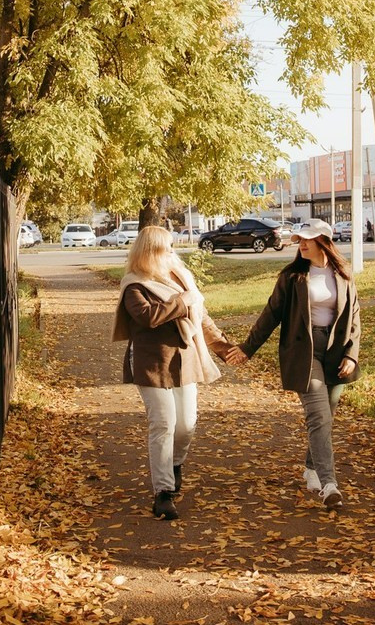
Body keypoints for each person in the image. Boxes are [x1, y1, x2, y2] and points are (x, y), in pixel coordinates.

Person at [224, 218, 360, 509]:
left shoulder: (343, 274)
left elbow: (355, 317)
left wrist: (352, 354)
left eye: (307, 239)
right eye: (299, 239)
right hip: (303, 352)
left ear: (324, 241)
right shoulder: (293, 277)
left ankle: (311, 468)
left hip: (335, 353)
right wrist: (248, 348)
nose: (302, 244)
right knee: (319, 416)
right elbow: (270, 315)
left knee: (326, 416)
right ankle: (329, 484)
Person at [114, 225, 235, 520]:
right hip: (151, 362)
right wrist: (182, 301)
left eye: (172, 247)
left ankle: (174, 463)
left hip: (185, 359)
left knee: (187, 425)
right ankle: (163, 492)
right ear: (150, 252)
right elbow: (148, 316)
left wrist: (222, 347)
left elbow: (200, 316)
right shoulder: (134, 285)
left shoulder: (180, 276)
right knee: (164, 424)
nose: (172, 253)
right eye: (166, 248)